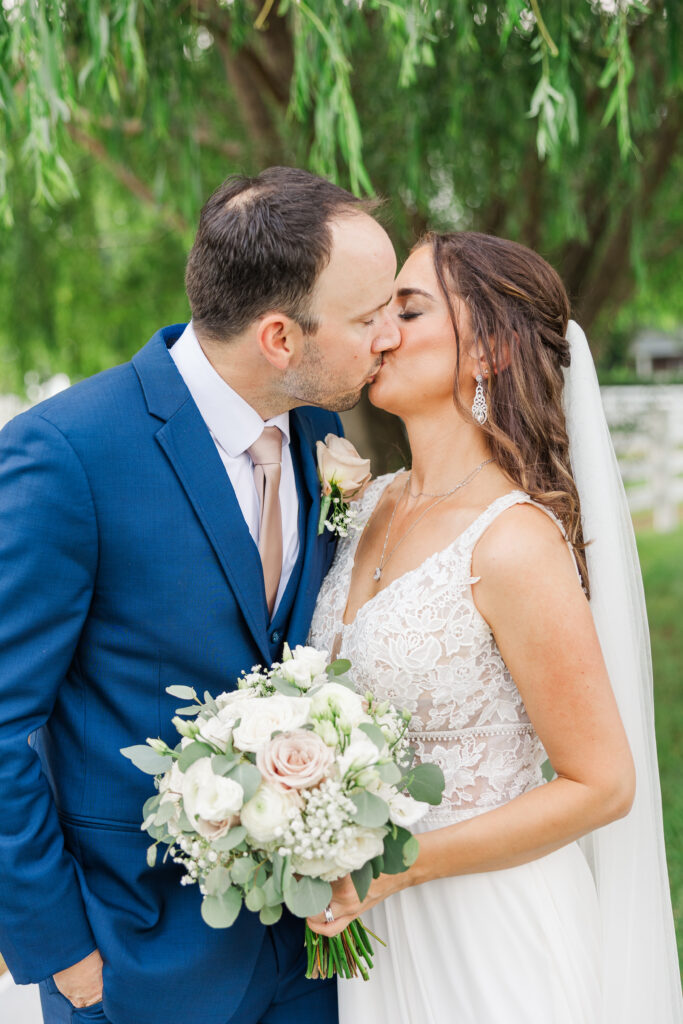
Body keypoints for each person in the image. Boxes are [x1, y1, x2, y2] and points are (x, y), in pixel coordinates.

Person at [0, 166, 400, 1024]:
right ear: (279, 338)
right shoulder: (66, 454)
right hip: (134, 959)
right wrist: (60, 948)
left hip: (315, 959)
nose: (387, 339)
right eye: (369, 319)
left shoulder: (319, 432)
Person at [308, 231, 683, 1022]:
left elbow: (602, 783)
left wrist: (402, 865)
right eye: (378, 313)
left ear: (489, 353)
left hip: (489, 934)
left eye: (407, 312)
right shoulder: (367, 505)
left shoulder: (510, 540)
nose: (380, 334)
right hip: (377, 933)